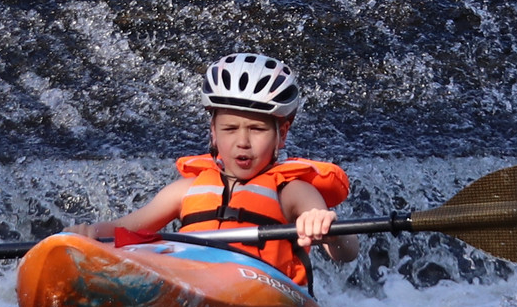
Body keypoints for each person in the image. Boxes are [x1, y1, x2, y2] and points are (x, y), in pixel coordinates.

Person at [76, 52, 361, 291]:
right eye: (229, 129)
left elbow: (347, 253)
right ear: (213, 132)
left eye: (257, 129)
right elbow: (124, 229)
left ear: (282, 134)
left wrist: (328, 229)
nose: (242, 142)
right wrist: (84, 236)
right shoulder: (186, 190)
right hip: (191, 285)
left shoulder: (293, 192)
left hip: (263, 294)